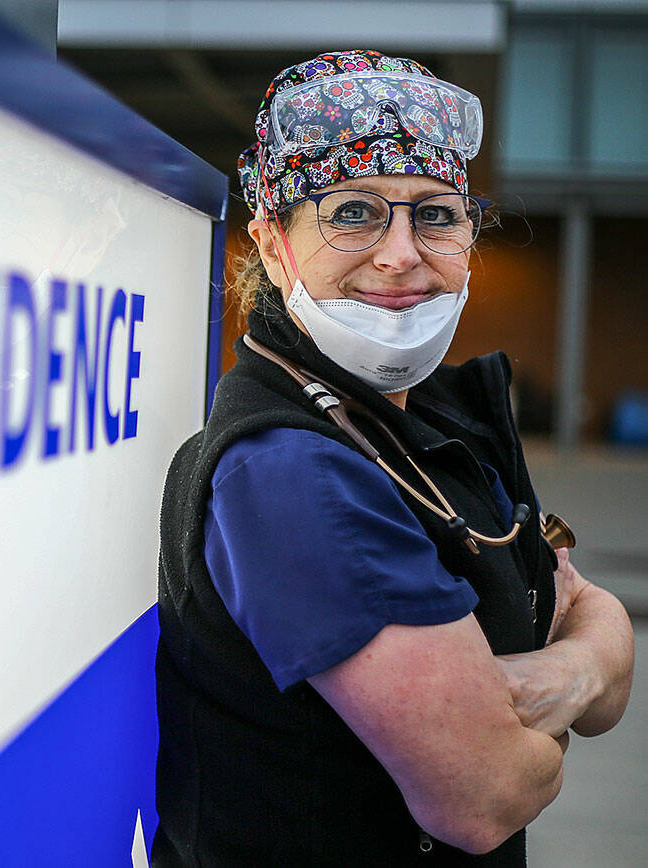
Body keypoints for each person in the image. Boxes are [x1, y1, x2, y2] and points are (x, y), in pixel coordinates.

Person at [153, 50, 635, 865]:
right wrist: (562, 673)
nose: (401, 253)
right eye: (352, 211)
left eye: (436, 215)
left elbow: (602, 628)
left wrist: (568, 673)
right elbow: (488, 797)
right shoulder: (290, 476)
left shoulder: (439, 418)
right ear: (273, 244)